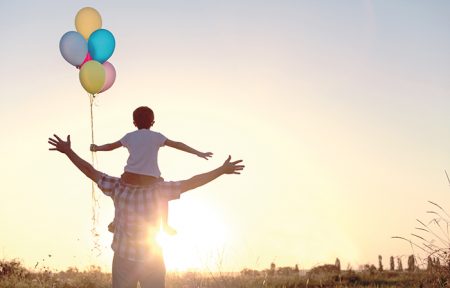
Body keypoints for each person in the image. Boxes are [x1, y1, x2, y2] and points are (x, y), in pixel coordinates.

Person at [48, 134, 244, 288]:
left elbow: (89, 170)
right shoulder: (159, 190)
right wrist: (220, 170)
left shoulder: (118, 187)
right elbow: (192, 182)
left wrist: (68, 152)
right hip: (152, 259)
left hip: (124, 258)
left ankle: (115, 223)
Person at [90, 106, 213, 235]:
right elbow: (177, 144)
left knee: (119, 193)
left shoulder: (129, 136)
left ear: (134, 123)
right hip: (150, 180)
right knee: (164, 196)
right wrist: (198, 153)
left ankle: (116, 221)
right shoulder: (157, 137)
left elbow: (111, 146)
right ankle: (165, 225)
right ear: (153, 122)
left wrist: (97, 148)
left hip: (129, 176)